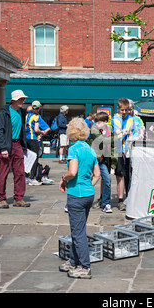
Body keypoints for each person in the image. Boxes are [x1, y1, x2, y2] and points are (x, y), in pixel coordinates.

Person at [59, 118, 101, 279]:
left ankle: (85, 267)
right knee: (78, 229)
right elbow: (97, 175)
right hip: (89, 194)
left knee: (78, 233)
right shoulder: (90, 149)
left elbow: (72, 172)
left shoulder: (74, 149)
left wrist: (63, 179)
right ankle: (73, 260)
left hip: (76, 195)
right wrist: (88, 185)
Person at [0, 90, 30, 209]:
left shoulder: (22, 112)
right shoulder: (4, 113)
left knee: (20, 173)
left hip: (17, 145)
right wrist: (3, 148)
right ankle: (2, 199)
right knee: (3, 174)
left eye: (23, 99)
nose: (23, 101)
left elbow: (22, 130)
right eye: (21, 99)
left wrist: (23, 145)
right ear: (14, 100)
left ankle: (19, 198)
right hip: (5, 146)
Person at [111, 98, 137, 210]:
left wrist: (127, 133)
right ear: (118, 109)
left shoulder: (132, 119)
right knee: (120, 175)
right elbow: (119, 133)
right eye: (122, 110)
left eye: (126, 110)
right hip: (118, 150)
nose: (124, 112)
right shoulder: (115, 118)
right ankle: (121, 200)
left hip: (129, 151)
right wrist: (125, 132)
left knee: (130, 175)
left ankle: (130, 198)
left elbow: (132, 133)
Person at [87, 111, 114, 213]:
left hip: (103, 161)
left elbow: (112, 146)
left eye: (98, 122)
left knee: (107, 180)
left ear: (105, 122)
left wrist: (114, 162)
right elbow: (100, 140)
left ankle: (105, 203)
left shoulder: (109, 131)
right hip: (92, 159)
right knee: (85, 178)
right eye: (96, 122)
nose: (96, 124)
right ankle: (76, 199)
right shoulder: (94, 129)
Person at [25, 101, 50, 185]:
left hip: (26, 139)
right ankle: (32, 179)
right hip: (33, 139)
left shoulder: (27, 115)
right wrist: (42, 133)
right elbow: (36, 129)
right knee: (34, 158)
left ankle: (25, 177)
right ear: (39, 108)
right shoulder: (37, 117)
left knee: (27, 158)